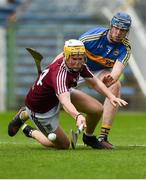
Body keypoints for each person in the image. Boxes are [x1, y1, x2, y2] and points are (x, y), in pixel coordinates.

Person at [8, 39, 127, 149]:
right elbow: (65, 102)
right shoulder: (59, 74)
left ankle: (89, 137)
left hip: (58, 95)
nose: (77, 62)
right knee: (63, 145)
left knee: (97, 109)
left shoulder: (80, 65)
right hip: (41, 109)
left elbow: (95, 82)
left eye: (80, 58)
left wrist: (111, 96)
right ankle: (29, 130)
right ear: (65, 56)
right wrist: (78, 116)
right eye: (74, 59)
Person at [78, 12, 132, 148]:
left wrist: (111, 78)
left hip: (98, 72)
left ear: (127, 31)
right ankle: (25, 114)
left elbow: (117, 71)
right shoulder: (92, 37)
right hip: (79, 68)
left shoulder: (125, 47)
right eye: (116, 28)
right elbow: (70, 54)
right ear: (111, 26)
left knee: (115, 86)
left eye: (123, 30)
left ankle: (103, 137)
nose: (119, 32)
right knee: (51, 93)